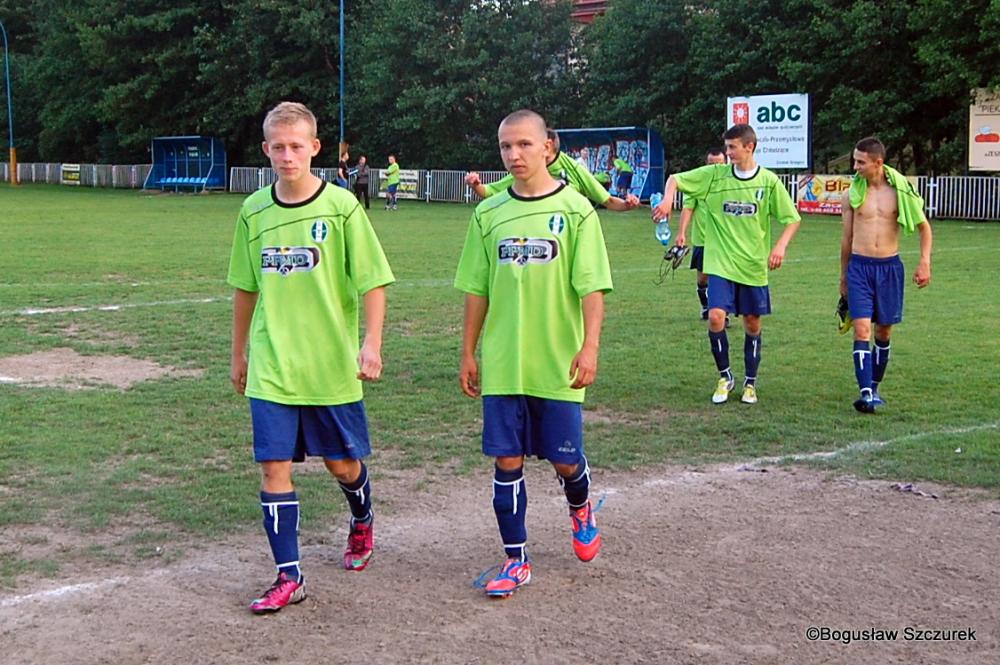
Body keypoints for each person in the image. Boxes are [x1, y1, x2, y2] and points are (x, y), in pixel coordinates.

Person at [228, 101, 395, 614]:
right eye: (277, 147)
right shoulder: (253, 211)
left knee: (343, 465)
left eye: (296, 146)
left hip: (329, 365)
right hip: (273, 365)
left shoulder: (342, 208)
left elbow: (373, 281)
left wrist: (371, 342)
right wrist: (239, 353)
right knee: (273, 467)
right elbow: (244, 287)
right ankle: (289, 576)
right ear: (265, 150)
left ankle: (361, 519)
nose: (286, 155)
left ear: (315, 148)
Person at [455, 109, 612, 598]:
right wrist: (468, 352)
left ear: (548, 148)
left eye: (524, 144)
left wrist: (589, 348)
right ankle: (515, 559)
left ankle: (580, 507)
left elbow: (592, 289)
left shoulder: (576, 210)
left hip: (556, 364)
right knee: (506, 461)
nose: (513, 155)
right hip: (503, 363)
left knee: (566, 463)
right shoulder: (488, 213)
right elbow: (476, 290)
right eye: (505, 146)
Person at [653, 124, 801, 405]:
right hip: (720, 262)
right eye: (727, 147)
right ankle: (725, 376)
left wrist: (780, 246)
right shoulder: (714, 176)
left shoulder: (768, 182)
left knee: (752, 322)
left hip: (752, 265)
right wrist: (669, 198)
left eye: (733, 147)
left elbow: (792, 218)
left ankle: (750, 383)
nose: (728, 152)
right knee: (715, 316)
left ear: (750, 147)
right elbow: (674, 179)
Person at [840, 136, 932, 413]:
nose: (855, 167)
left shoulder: (900, 192)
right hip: (859, 267)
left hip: (889, 268)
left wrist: (924, 262)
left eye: (860, 162)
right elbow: (846, 239)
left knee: (884, 330)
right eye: (854, 161)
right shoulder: (851, 195)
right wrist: (843, 276)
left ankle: (875, 386)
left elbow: (924, 228)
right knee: (862, 328)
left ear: (878, 163)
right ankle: (865, 392)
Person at [464, 129, 640, 212]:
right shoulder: (527, 170)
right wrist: (475, 184)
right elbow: (490, 192)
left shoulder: (574, 168)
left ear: (547, 146)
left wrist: (627, 204)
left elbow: (607, 200)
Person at [676, 148, 727, 321]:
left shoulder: (731, 183)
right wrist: (681, 233)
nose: (715, 168)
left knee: (721, 278)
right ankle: (706, 306)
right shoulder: (698, 185)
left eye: (719, 164)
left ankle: (721, 312)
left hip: (724, 241)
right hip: (702, 239)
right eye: (712, 164)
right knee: (703, 279)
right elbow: (688, 208)